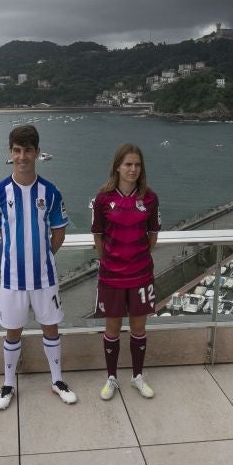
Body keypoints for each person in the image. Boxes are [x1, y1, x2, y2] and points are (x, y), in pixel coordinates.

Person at [0, 124, 75, 410]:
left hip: (45, 277)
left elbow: (58, 234)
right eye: (17, 151)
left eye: (28, 151)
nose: (22, 156)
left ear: (37, 152)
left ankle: (57, 380)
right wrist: (10, 259)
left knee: (51, 327)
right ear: (10, 153)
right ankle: (8, 384)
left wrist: (42, 256)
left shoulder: (51, 191)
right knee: (12, 331)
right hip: (11, 280)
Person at [91, 142, 160, 401]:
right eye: (128, 164)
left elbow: (153, 236)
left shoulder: (150, 198)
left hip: (141, 274)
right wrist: (110, 259)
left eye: (137, 165)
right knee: (111, 329)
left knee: (139, 328)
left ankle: (137, 376)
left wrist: (138, 257)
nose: (133, 169)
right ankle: (111, 378)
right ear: (117, 167)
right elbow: (98, 236)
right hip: (111, 275)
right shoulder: (103, 199)